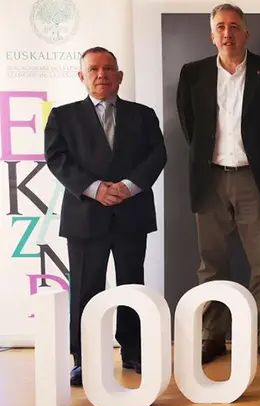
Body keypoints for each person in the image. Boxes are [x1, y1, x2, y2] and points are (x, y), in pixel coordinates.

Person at [175, 3, 260, 365]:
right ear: (212, 35)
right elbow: (190, 124)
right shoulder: (193, 73)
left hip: (254, 178)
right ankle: (212, 335)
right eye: (221, 27)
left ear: (246, 33)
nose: (228, 33)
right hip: (210, 176)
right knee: (211, 263)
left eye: (234, 26)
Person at [43, 46, 167, 386]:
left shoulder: (143, 115)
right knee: (86, 289)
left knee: (132, 286)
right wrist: (95, 188)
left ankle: (134, 351)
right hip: (86, 216)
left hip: (131, 213)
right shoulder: (63, 116)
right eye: (94, 69)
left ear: (120, 75)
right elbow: (57, 159)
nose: (102, 75)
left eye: (108, 68)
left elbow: (157, 155)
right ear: (82, 76)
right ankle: (85, 359)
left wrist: (128, 186)